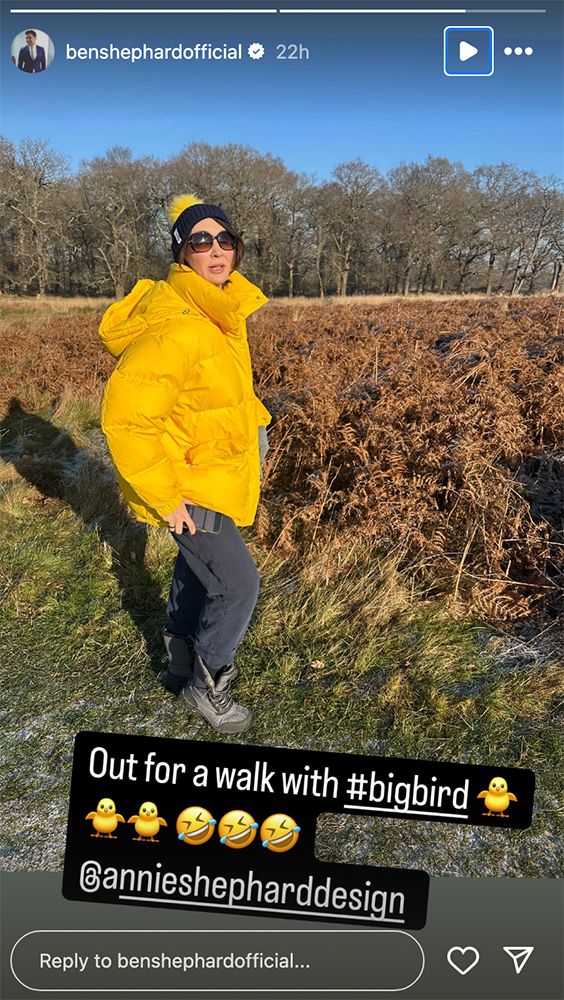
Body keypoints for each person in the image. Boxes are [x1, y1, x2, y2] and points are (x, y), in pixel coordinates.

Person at [99, 194, 271, 734]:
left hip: (214, 470)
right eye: (201, 240)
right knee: (238, 584)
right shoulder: (180, 324)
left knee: (197, 569)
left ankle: (177, 662)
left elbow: (212, 397)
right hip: (190, 483)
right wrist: (168, 499)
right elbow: (126, 421)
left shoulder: (216, 313)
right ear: (181, 252)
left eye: (226, 239)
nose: (217, 250)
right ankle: (209, 685)